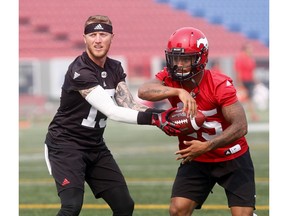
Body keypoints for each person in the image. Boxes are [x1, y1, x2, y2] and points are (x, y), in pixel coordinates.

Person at [44, 15, 180, 216]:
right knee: (71, 207)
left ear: (111, 37)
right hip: (66, 145)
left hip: (95, 145)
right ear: (85, 38)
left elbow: (130, 104)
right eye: (93, 35)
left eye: (103, 34)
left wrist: (164, 114)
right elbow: (112, 111)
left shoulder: (114, 67)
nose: (98, 40)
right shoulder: (80, 70)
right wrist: (155, 119)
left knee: (125, 206)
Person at [138, 27, 256, 216]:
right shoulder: (170, 79)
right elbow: (143, 90)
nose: (179, 64)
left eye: (185, 59)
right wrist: (178, 91)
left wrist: (208, 146)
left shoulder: (218, 84)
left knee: (243, 215)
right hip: (197, 158)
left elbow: (241, 126)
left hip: (232, 156)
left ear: (201, 58)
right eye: (175, 58)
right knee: (178, 210)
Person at [234, 43, 259, 121]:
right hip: (243, 81)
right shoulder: (240, 58)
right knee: (243, 99)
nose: (251, 50)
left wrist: (255, 80)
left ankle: (252, 115)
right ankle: (250, 115)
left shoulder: (251, 59)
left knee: (249, 99)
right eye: (250, 49)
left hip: (249, 81)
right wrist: (239, 82)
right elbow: (238, 71)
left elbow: (252, 71)